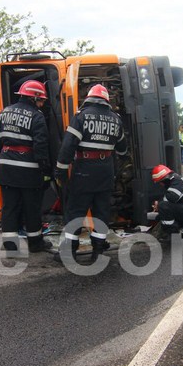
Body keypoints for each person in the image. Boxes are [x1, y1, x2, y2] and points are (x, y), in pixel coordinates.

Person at [54, 84, 128, 262]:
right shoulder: (116, 119)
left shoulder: (81, 117)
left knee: (76, 212)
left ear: (89, 98)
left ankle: (69, 253)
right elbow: (123, 151)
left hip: (84, 171)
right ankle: (98, 251)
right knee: (101, 212)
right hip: (105, 172)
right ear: (106, 100)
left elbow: (67, 146)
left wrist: (61, 171)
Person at [0, 80, 52, 255]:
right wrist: (45, 170)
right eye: (41, 100)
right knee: (31, 208)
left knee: (10, 207)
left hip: (6, 168)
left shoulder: (4, 112)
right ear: (34, 98)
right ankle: (35, 243)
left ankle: (10, 246)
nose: (42, 104)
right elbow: (41, 145)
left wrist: (2, 157)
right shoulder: (36, 116)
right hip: (28, 170)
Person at [150, 164, 183, 240]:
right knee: (161, 215)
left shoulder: (176, 181)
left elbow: (172, 197)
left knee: (163, 207)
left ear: (164, 179)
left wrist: (158, 204)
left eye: (160, 182)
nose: (160, 185)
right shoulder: (176, 179)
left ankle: (172, 234)